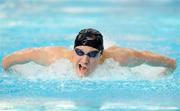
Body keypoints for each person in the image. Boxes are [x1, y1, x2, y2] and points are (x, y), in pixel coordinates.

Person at [2, 28, 176, 77]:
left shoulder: (120, 58)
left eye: (92, 54)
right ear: (73, 51)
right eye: (79, 52)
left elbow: (170, 63)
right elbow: (7, 61)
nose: (84, 60)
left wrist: (163, 75)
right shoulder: (55, 57)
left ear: (101, 55)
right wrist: (12, 74)